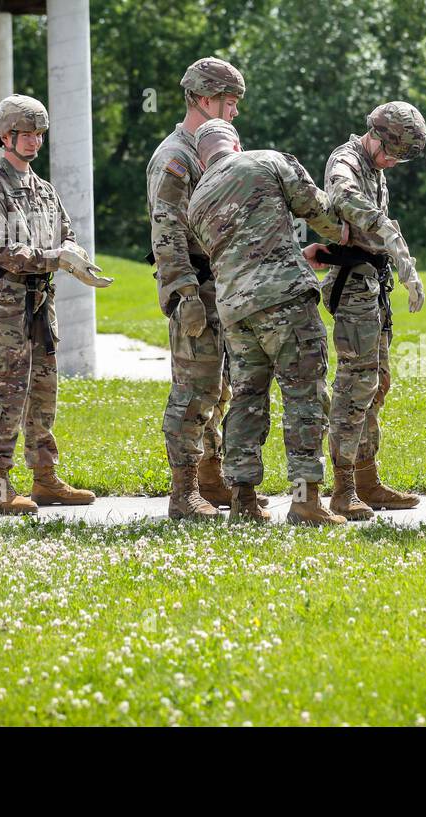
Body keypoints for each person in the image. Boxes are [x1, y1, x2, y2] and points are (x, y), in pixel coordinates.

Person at [187, 119, 349, 525]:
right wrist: (345, 234)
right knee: (305, 396)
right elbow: (317, 209)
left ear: (202, 158)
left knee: (246, 398)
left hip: (236, 313)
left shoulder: (196, 200)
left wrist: (290, 251)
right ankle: (305, 500)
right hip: (284, 300)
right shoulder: (265, 161)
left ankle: (243, 500)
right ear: (236, 143)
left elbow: (240, 247)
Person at [0, 94, 114, 515]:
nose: (34, 141)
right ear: (4, 136)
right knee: (4, 395)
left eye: (38, 134)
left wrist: (75, 255)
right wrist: (58, 259)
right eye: (25, 134)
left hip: (40, 308)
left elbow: (65, 231)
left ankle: (45, 478)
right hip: (7, 310)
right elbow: (2, 249)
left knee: (43, 393)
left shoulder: (44, 189)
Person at [147, 56, 268, 520]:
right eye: (228, 102)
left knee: (221, 389)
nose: (234, 112)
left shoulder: (215, 148)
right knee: (193, 391)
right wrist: (183, 296)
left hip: (224, 285)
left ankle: (211, 478)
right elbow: (167, 236)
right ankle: (183, 493)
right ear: (202, 99)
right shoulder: (176, 158)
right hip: (195, 287)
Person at [315, 101, 426, 520]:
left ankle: (367, 478)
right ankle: (343, 488)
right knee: (354, 385)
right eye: (390, 153)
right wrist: (392, 239)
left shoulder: (375, 167)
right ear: (374, 134)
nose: (392, 163)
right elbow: (344, 198)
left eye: (399, 158)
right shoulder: (346, 160)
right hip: (353, 287)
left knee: (376, 383)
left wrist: (395, 256)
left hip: (372, 285)